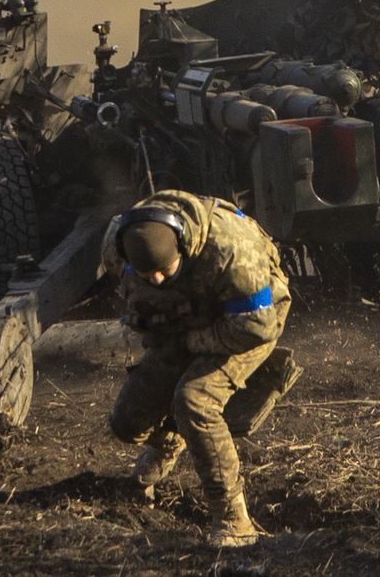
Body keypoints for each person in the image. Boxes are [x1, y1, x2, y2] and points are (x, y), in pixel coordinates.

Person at [102, 188, 294, 547]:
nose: (155, 279)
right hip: (185, 319)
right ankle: (169, 442)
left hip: (245, 322)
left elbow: (258, 325)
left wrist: (192, 344)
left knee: (194, 401)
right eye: (147, 274)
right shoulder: (118, 243)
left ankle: (234, 520)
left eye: (164, 270)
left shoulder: (233, 251)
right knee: (128, 422)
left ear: (184, 247)